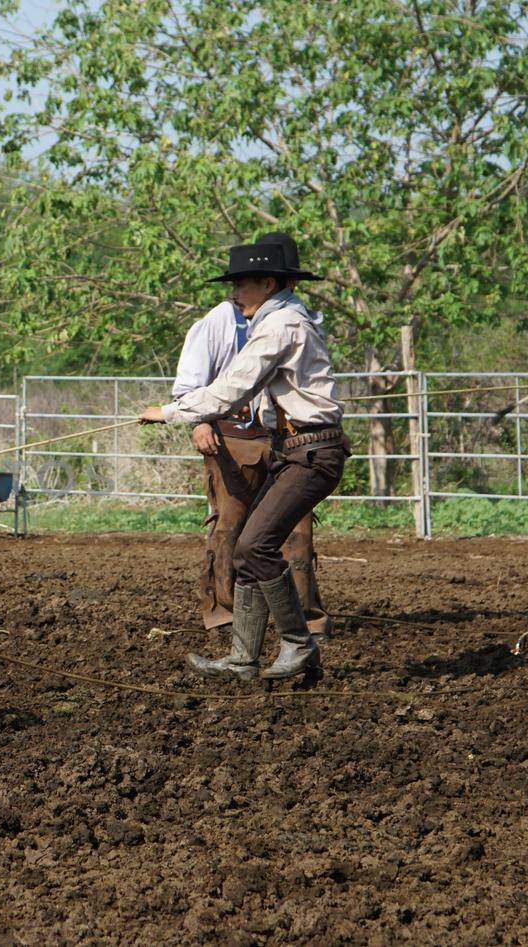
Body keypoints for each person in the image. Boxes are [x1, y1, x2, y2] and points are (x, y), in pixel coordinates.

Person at [139, 235, 349, 681]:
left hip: (310, 452)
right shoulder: (287, 319)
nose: (234, 293)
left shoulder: (281, 325)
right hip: (298, 450)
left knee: (254, 547)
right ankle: (243, 659)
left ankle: (298, 644)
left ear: (268, 283)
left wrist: (170, 412)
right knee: (248, 551)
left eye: (242, 284)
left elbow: (233, 385)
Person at [172, 233, 331, 645]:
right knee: (232, 527)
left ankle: (303, 620)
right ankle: (225, 615)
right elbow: (196, 384)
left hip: (285, 441)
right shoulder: (218, 321)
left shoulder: (291, 321)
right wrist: (196, 420)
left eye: (243, 282)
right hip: (233, 437)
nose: (236, 291)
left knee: (292, 532)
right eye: (237, 283)